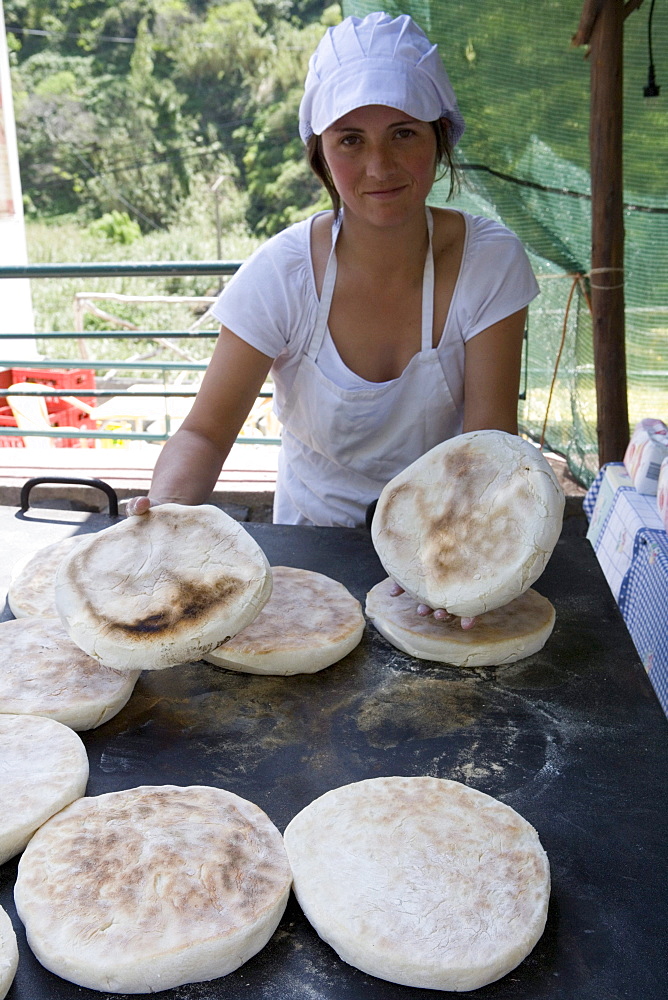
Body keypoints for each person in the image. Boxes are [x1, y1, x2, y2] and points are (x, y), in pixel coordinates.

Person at [126, 11, 539, 625]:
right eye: (351, 139)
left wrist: (461, 569)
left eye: (403, 133)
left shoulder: (489, 262)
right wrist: (164, 518)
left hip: (445, 537)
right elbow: (205, 433)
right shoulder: (284, 275)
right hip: (312, 549)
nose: (380, 166)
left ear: (440, 137)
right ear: (320, 152)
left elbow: (486, 445)